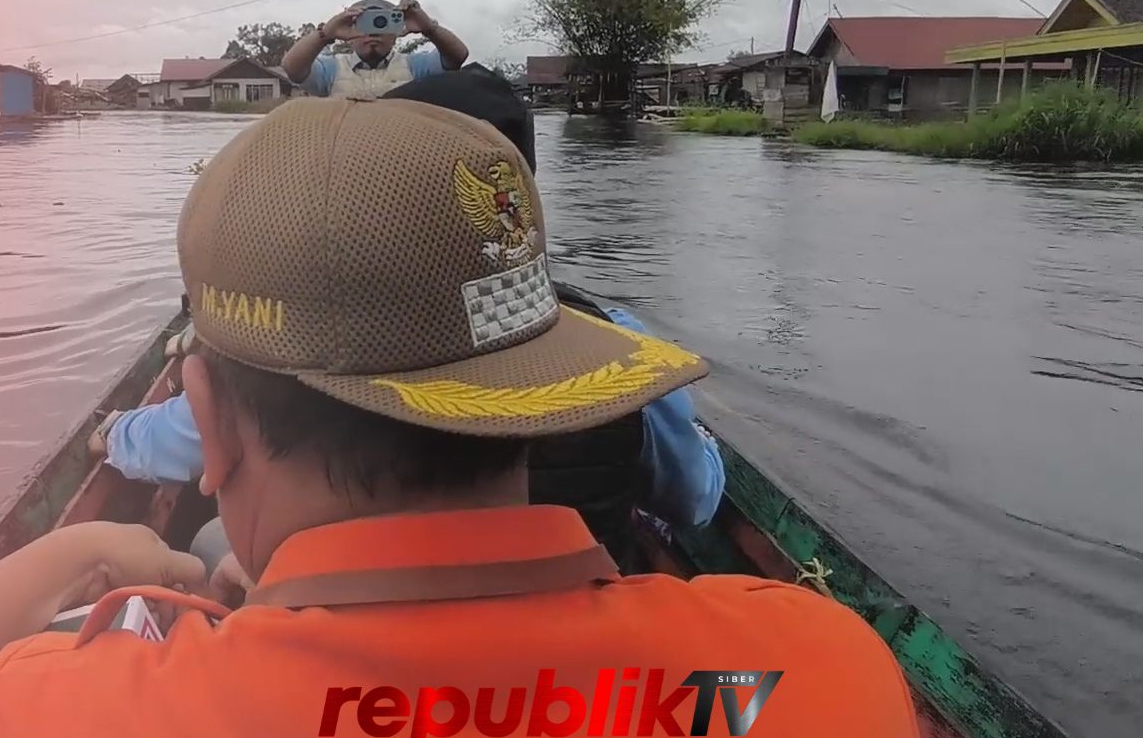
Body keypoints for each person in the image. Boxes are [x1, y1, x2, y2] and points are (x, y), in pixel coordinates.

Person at [0, 97, 937, 738]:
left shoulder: (71, 733)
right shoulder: (818, 671)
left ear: (215, 418)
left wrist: (83, 545)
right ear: (544, 392)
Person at [94, 68, 725, 563]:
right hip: (590, 610)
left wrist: (113, 432)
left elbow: (170, 441)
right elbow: (695, 499)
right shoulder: (618, 341)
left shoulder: (290, 337)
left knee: (207, 547)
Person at [281, 0, 469, 97]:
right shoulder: (332, 69)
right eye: (365, 23)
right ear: (349, 32)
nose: (373, 32)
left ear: (396, 33)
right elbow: (292, 68)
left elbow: (458, 56)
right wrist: (326, 34)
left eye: (382, 23)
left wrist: (429, 29)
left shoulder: (415, 66)